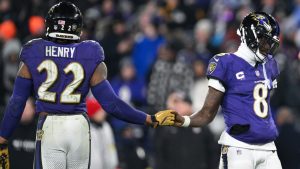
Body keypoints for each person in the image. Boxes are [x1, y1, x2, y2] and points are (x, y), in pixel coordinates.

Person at [0, 2, 175, 169]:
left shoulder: (34, 51)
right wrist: (148, 119)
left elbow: (17, 103)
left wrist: (2, 138)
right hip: (79, 127)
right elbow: (111, 104)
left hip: (50, 126)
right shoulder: (90, 53)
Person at [172, 12, 282, 169]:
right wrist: (184, 120)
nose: (267, 47)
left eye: (270, 42)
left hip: (269, 148)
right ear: (250, 35)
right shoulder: (225, 63)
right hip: (239, 147)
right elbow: (207, 113)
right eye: (265, 40)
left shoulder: (270, 65)